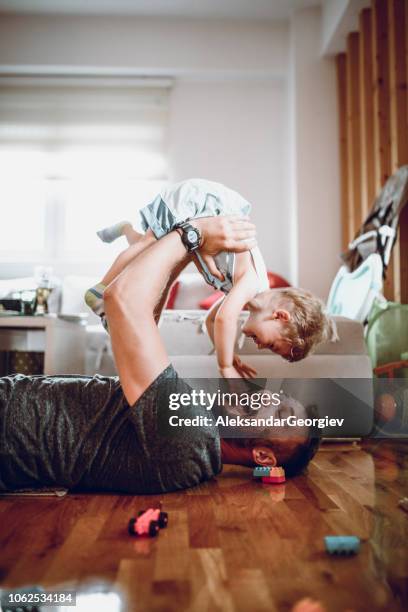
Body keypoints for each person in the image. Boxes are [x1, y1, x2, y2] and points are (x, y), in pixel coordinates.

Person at [0, 216, 320, 494]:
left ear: (263, 458)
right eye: (279, 399)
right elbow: (136, 326)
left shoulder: (188, 432)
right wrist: (185, 253)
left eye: (280, 415)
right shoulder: (196, 439)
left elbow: (121, 300)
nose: (268, 398)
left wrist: (192, 233)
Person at [86, 178, 337, 378]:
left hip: (199, 217)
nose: (261, 347)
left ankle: (124, 228)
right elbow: (224, 320)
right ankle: (100, 290)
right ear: (280, 316)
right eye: (272, 345)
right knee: (148, 246)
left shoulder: (246, 295)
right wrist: (225, 365)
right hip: (195, 203)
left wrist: (222, 349)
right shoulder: (252, 283)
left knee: (145, 246)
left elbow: (210, 321)